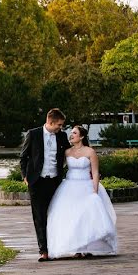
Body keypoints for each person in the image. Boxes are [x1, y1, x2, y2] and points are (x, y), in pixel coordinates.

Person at [45, 125, 118, 258]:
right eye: (71, 133)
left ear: (82, 136)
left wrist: (95, 191)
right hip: (69, 187)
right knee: (72, 217)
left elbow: (95, 173)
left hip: (86, 186)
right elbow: (58, 168)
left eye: (74, 133)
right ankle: (76, 248)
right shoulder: (67, 152)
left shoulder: (90, 152)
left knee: (86, 218)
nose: (71, 135)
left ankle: (87, 246)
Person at [19, 108, 70, 262]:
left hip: (54, 181)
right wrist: (25, 176)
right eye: (59, 125)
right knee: (39, 216)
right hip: (37, 182)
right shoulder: (33, 134)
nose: (60, 128)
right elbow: (23, 157)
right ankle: (43, 250)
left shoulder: (62, 136)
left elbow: (70, 153)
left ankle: (56, 247)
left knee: (56, 215)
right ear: (50, 122)